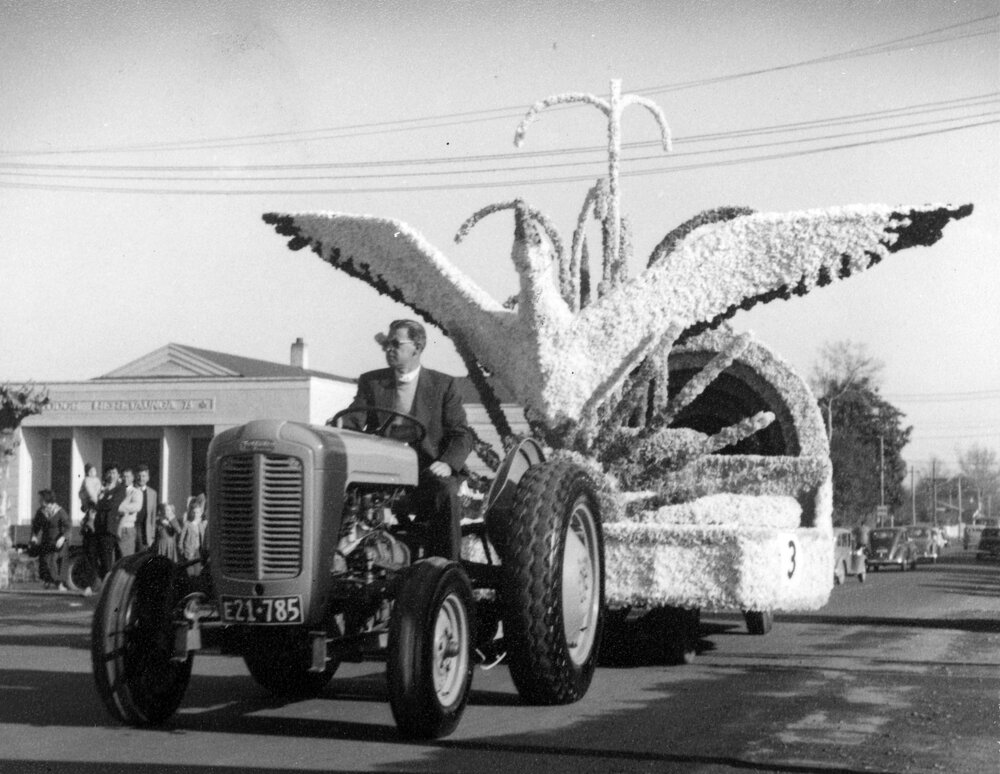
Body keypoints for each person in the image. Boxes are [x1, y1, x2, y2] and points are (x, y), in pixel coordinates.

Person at [341, 319, 472, 560]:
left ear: (417, 348)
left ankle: (446, 568)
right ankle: (345, 556)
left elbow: (462, 435)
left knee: (446, 492)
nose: (388, 349)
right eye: (386, 344)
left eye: (395, 343)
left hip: (427, 472)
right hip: (382, 469)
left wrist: (447, 463)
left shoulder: (443, 385)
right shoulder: (372, 382)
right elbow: (353, 421)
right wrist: (338, 430)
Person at [30, 489, 71, 591]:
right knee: (45, 562)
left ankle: (60, 584)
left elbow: (68, 527)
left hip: (59, 542)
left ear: (47, 499)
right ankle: (48, 581)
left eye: (41, 498)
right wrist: (34, 537)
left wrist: (63, 537)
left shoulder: (60, 511)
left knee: (58, 562)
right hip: (46, 541)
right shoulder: (41, 512)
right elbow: (36, 526)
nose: (39, 501)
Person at [93, 463, 126, 584]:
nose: (111, 475)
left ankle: (107, 585)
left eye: (114, 473)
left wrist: (99, 503)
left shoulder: (120, 489)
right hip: (98, 528)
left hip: (109, 528)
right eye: (109, 473)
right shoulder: (102, 488)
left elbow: (112, 504)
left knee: (108, 559)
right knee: (98, 558)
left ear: (118, 475)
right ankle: (100, 583)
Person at [78, 463, 103, 596]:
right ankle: (90, 585)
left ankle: (98, 585)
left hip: (100, 525)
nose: (93, 472)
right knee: (90, 556)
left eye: (94, 470)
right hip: (91, 528)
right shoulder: (87, 482)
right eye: (91, 470)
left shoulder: (98, 483)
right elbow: (87, 495)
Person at [116, 467, 143, 558]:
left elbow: (136, 507)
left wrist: (118, 508)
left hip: (127, 529)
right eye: (123, 476)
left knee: (125, 558)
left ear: (132, 478)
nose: (125, 479)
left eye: (127, 476)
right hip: (113, 528)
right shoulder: (117, 492)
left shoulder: (135, 492)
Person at [178, 494, 207, 576]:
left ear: (201, 513)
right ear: (191, 512)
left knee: (197, 573)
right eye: (194, 512)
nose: (196, 514)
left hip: (197, 551)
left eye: (198, 512)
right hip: (189, 551)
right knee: (190, 573)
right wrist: (182, 552)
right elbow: (181, 540)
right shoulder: (187, 524)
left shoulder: (201, 525)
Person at [135, 463, 158, 552]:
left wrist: (152, 533)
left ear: (148, 478)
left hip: (146, 527)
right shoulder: (131, 490)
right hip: (134, 526)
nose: (141, 478)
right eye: (139, 476)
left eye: (144, 476)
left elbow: (153, 514)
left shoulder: (152, 493)